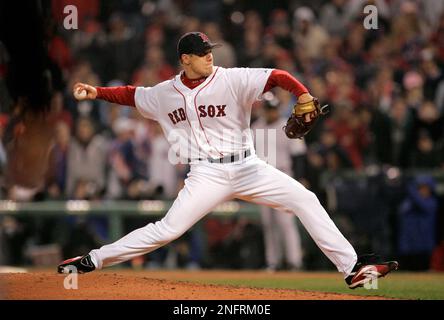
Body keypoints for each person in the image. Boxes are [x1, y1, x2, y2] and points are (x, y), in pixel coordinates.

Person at [58, 32, 398, 289]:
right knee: (167, 230)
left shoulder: (232, 78)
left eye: (210, 51)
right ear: (185, 59)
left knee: (305, 199)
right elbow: (133, 95)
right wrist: (97, 93)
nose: (209, 56)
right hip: (206, 174)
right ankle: (92, 260)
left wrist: (303, 94)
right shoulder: (164, 93)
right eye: (203, 53)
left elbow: (278, 75)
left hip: (249, 167)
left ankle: (352, 269)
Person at [252, 96, 304, 271]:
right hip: (262, 179)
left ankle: (294, 261)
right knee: (268, 223)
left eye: (273, 108)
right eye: (268, 108)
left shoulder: (288, 126)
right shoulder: (255, 127)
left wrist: (300, 178)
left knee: (285, 222)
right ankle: (273, 262)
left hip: (283, 176)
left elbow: (298, 155)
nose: (271, 112)